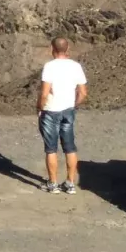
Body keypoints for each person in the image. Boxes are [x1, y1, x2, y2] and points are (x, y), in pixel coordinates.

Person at [38, 37, 87, 193]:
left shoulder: (49, 67)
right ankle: (70, 183)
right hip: (68, 110)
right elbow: (83, 93)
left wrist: (39, 107)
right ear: (68, 49)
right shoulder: (76, 66)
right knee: (70, 147)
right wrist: (74, 104)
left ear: (52, 48)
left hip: (51, 110)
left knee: (51, 149)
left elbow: (44, 93)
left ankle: (53, 184)